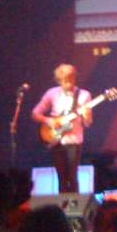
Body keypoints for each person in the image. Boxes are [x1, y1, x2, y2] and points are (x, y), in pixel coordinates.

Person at [32, 64, 92, 193]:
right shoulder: (51, 93)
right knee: (61, 178)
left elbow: (87, 124)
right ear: (59, 81)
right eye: (65, 80)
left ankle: (75, 204)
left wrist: (86, 116)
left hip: (74, 141)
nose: (69, 83)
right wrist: (49, 121)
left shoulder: (84, 95)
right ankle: (62, 204)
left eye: (72, 79)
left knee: (72, 176)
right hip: (55, 139)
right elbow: (35, 113)